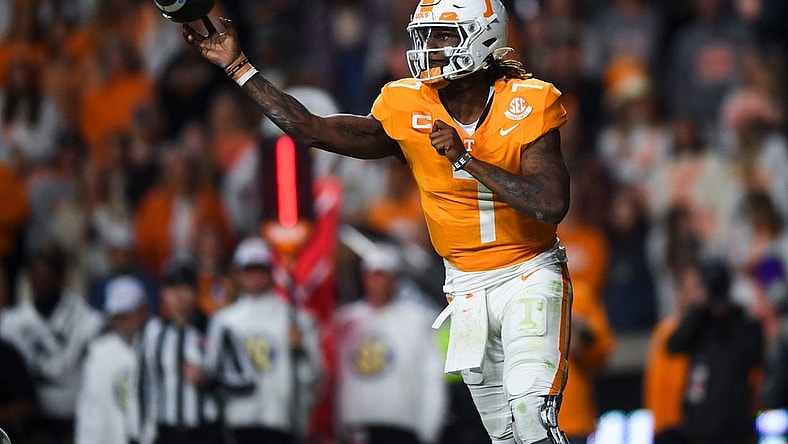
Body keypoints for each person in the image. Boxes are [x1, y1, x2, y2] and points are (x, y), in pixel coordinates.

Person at [184, 0, 573, 442]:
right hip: (464, 285)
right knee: (506, 435)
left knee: (529, 409)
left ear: (485, 37)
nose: (430, 48)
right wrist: (238, 66)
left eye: (443, 36)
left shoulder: (528, 101)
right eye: (425, 36)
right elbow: (311, 129)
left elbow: (550, 202)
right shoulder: (405, 104)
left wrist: (465, 158)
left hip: (528, 272)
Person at [210, 236, 323, 444]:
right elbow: (214, 376)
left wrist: (301, 351)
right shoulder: (223, 321)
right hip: (236, 422)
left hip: (281, 421)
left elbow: (316, 377)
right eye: (249, 270)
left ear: (271, 271)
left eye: (260, 269)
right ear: (239, 274)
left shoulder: (295, 318)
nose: (255, 277)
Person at [333, 246, 447, 444]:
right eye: (373, 275)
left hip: (402, 426)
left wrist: (429, 427)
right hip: (355, 424)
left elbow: (431, 376)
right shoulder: (346, 321)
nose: (377, 282)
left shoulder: (418, 319)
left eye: (383, 275)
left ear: (395, 279)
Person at [140, 258, 254, 444]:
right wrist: (138, 435)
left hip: (206, 432)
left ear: (196, 291)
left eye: (185, 287)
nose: (179, 295)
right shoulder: (153, 333)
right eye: (173, 288)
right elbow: (141, 388)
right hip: (166, 432)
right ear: (164, 293)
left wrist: (211, 381)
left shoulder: (218, 330)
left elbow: (248, 381)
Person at [0, 242, 105, 444]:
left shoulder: (82, 315)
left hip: (72, 417)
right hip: (34, 421)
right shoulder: (13, 322)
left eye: (47, 277)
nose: (42, 284)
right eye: (37, 278)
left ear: (60, 278)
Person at [667, 259, 763, 444]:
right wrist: (699, 308)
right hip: (701, 426)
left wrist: (729, 314)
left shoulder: (742, 322)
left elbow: (755, 356)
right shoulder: (699, 323)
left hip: (736, 426)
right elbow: (674, 345)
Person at [75, 275, 150, 444]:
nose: (125, 320)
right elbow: (89, 409)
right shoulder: (99, 353)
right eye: (119, 314)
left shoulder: (157, 342)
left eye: (129, 312)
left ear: (144, 309)